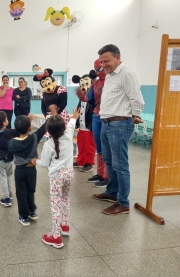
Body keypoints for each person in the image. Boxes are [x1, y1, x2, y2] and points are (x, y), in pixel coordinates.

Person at [92, 44, 144, 215]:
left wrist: (135, 115)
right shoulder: (110, 75)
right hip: (106, 122)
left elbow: (136, 98)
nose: (103, 64)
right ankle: (112, 193)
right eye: (101, 61)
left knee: (120, 164)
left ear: (117, 57)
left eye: (106, 61)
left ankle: (123, 202)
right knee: (108, 160)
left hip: (119, 124)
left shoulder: (126, 74)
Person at [31, 108, 80, 249]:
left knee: (55, 204)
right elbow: (72, 122)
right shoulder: (69, 134)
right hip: (69, 174)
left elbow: (45, 163)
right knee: (65, 198)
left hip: (56, 177)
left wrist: (35, 161)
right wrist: (75, 115)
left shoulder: (48, 145)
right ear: (63, 127)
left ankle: (56, 236)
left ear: (48, 131)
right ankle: (65, 225)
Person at [7, 113, 47, 226]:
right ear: (30, 127)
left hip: (19, 171)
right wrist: (52, 115)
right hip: (31, 170)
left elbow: (9, 156)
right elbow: (43, 128)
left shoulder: (11, 143)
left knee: (21, 193)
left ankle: (24, 216)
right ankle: (32, 211)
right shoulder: (34, 138)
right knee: (30, 191)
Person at [76, 60, 110, 187]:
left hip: (108, 117)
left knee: (107, 148)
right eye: (96, 69)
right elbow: (87, 99)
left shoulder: (112, 81)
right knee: (99, 147)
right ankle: (100, 174)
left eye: (100, 69)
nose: (98, 72)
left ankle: (107, 176)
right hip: (96, 116)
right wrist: (81, 95)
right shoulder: (95, 84)